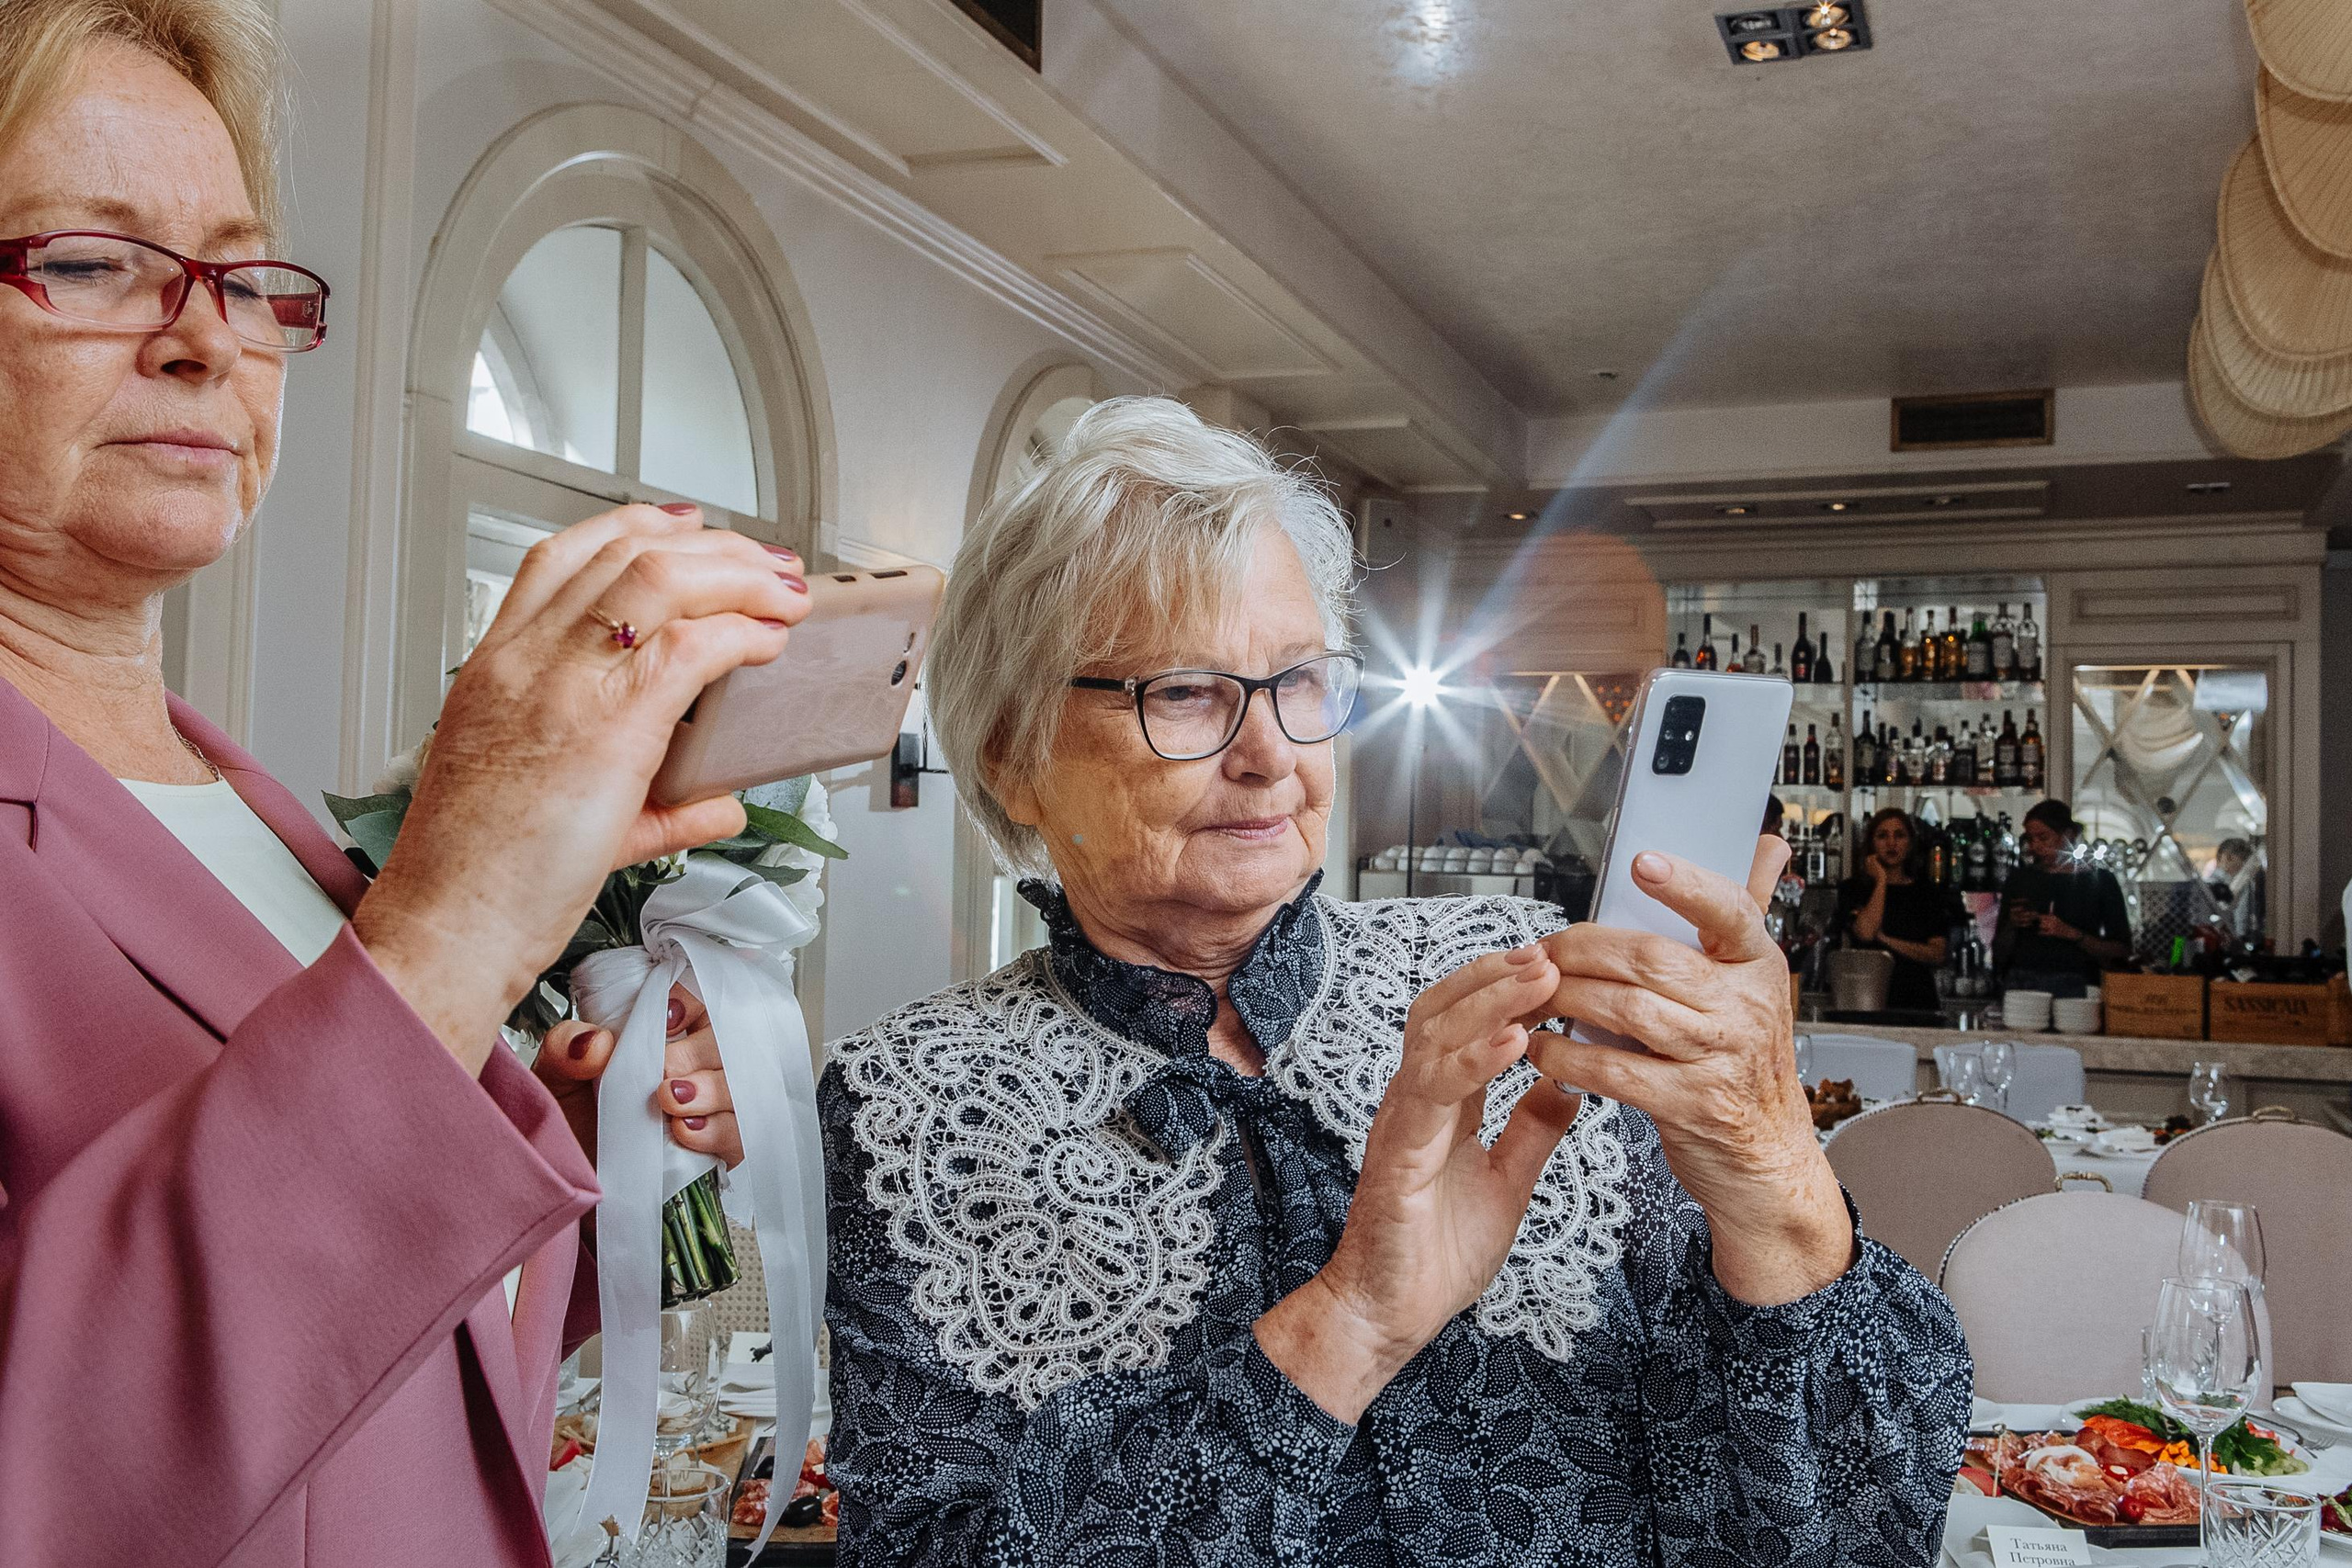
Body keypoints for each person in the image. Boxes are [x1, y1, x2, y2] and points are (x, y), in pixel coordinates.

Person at [820, 398, 1970, 1566]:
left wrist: (1774, 1184)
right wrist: (1349, 1324)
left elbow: (1856, 1528)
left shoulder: (1523, 981)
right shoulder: (911, 1099)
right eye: (1181, 691)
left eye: (1300, 682)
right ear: (1013, 756)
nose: (1269, 753)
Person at [0, 4, 809, 1561]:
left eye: (237, 272)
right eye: (93, 262)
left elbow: (370, 1368)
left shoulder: (253, 813)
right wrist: (447, 929)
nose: (204, 334)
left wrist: (587, 1121)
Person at [1995, 799, 2132, 998]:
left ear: (2068, 835)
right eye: (2031, 839)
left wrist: (2071, 934)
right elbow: (1998, 948)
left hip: (2077, 984)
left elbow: (2121, 949)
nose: (2036, 846)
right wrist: (2013, 924)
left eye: (2043, 838)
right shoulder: (2020, 879)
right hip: (2022, 984)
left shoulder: (2100, 881)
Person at [1833, 807, 1962, 1012]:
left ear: (1910, 843)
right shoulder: (1854, 890)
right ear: (1871, 843)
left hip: (1917, 1000)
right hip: (1865, 998)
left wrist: (1885, 939)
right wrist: (1882, 880)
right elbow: (1866, 933)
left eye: (1899, 835)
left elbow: (1937, 953)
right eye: (1882, 836)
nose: (1891, 843)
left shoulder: (1927, 892)